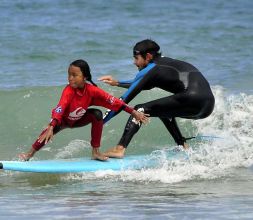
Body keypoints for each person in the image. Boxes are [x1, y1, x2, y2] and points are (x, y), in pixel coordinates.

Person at [99, 39, 215, 158]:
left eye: (136, 58)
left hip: (192, 99)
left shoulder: (151, 69)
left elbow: (122, 101)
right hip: (207, 105)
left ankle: (120, 149)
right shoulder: (164, 63)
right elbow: (144, 83)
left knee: (139, 110)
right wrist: (118, 83)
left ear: (148, 56)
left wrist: (99, 122)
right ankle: (183, 145)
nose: (134, 62)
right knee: (163, 111)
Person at [19, 59, 149, 161]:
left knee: (97, 114)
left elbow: (114, 101)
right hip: (62, 121)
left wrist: (133, 112)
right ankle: (29, 154)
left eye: (75, 75)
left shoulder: (92, 91)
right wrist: (52, 124)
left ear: (85, 77)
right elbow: (61, 106)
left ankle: (95, 152)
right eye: (69, 74)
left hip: (79, 119)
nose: (70, 78)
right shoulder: (68, 91)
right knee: (48, 131)